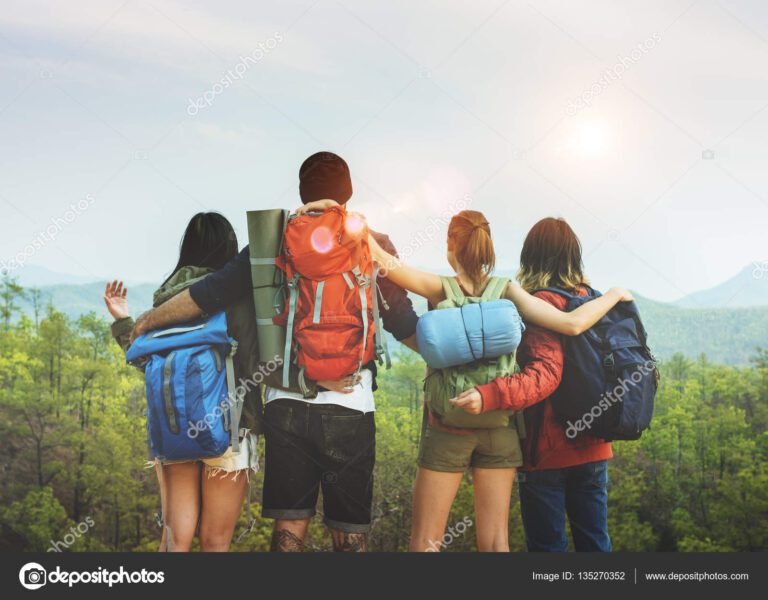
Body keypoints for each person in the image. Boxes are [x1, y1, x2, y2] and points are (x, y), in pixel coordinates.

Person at [129, 152, 419, 552]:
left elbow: (207, 295)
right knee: (349, 535)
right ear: (348, 194)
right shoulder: (372, 243)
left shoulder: (270, 244)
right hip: (351, 405)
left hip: (286, 404)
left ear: (302, 192)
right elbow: (403, 322)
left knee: (288, 530)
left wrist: (146, 320)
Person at [364, 209, 632, 552]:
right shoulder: (508, 292)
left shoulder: (437, 288)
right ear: (489, 246)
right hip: (501, 429)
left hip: (448, 428)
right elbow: (571, 325)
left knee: (426, 542)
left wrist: (353, 224)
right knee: (494, 543)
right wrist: (613, 295)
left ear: (450, 243)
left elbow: (382, 260)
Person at [451, 217, 614, 552]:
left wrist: (490, 394)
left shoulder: (540, 305)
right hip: (595, 445)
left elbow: (545, 375)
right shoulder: (594, 301)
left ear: (530, 257)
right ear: (574, 256)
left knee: (547, 549)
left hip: (548, 452)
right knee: (596, 543)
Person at [104, 212, 261, 552]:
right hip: (230, 429)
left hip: (175, 429)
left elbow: (149, 364)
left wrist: (123, 322)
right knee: (214, 541)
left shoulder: (165, 300)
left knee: (176, 539)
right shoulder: (239, 299)